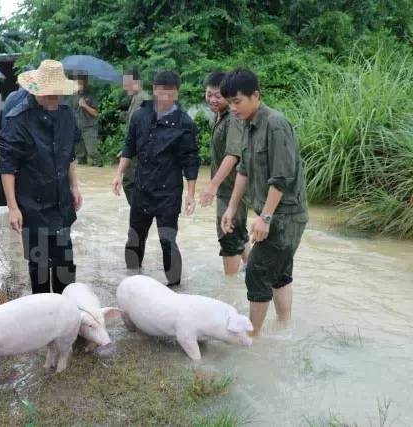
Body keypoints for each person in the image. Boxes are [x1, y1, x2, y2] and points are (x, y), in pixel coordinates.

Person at [220, 68, 308, 336]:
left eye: (238, 102)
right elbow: (244, 170)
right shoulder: (248, 124)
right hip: (272, 214)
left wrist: (266, 217)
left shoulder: (276, 124)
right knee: (279, 274)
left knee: (256, 270)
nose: (233, 108)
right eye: (230, 103)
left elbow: (281, 177)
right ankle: (284, 327)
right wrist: (232, 208)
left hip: (286, 215)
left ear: (255, 95)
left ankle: (252, 337)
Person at [0, 60, 83, 294]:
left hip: (61, 203)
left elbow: (69, 155)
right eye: (49, 93)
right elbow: (7, 167)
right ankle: (44, 320)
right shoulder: (17, 120)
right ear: (36, 90)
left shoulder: (66, 116)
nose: (54, 98)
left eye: (58, 93)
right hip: (32, 207)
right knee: (40, 268)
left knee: (66, 267)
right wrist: (13, 208)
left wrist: (74, 186)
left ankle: (69, 318)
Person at [112, 70, 199, 287]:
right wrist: (119, 174)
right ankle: (131, 282)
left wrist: (190, 194)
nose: (165, 98)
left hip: (168, 192)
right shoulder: (140, 116)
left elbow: (190, 160)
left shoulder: (185, 123)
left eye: (170, 94)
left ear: (177, 93)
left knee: (167, 239)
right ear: (154, 90)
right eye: (161, 93)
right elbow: (129, 146)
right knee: (134, 237)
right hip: (142, 188)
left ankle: (176, 289)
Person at [199, 71, 250, 276]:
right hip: (227, 188)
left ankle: (229, 289)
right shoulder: (219, 116)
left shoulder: (233, 119)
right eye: (209, 94)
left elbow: (232, 155)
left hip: (232, 189)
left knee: (228, 235)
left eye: (217, 95)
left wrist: (212, 186)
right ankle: (252, 269)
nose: (212, 99)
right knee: (239, 233)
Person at [120, 68, 150, 205]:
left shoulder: (142, 99)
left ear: (136, 82)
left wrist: (131, 149)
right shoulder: (137, 98)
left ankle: (140, 212)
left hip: (139, 151)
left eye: (127, 83)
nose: (125, 86)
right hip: (136, 149)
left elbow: (144, 129)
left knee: (129, 182)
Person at [70, 75, 101, 166]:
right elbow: (71, 110)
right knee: (80, 157)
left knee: (92, 152)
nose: (80, 84)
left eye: (82, 82)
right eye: (78, 82)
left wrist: (85, 105)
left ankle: (99, 163)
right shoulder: (74, 95)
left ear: (86, 82)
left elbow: (95, 113)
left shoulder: (91, 95)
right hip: (77, 127)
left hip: (89, 127)